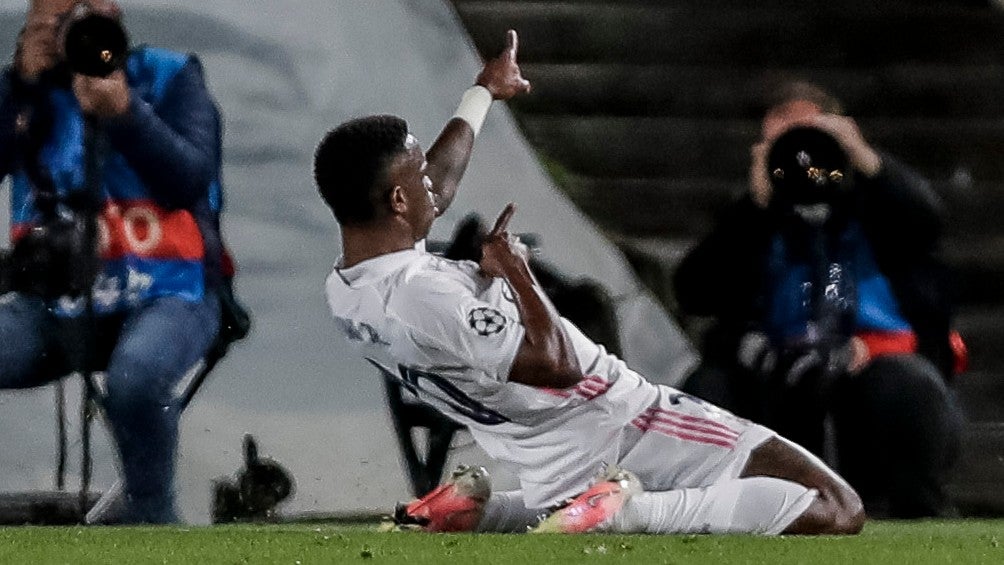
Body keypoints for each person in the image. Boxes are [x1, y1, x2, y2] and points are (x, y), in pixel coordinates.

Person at [316, 34, 863, 535]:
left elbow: (438, 189)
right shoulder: (423, 294)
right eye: (419, 176)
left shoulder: (348, 290)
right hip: (620, 416)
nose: (434, 182)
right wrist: (516, 273)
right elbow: (558, 366)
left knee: (706, 496)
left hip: (544, 451)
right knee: (833, 504)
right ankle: (624, 510)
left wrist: (481, 93)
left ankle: (482, 511)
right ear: (396, 201)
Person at [673, 81, 963, 518]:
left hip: (872, 368)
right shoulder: (752, 218)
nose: (803, 157)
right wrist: (754, 207)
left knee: (908, 385)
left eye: (812, 134)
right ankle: (717, 512)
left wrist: (863, 159)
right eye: (785, 139)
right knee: (706, 393)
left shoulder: (883, 212)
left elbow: (926, 222)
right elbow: (695, 290)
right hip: (770, 372)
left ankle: (914, 508)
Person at [0, 0, 233, 523]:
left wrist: (125, 113)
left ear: (113, 11)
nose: (76, 27)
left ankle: (151, 523)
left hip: (173, 290)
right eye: (58, 18)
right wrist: (16, 86)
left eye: (87, 13)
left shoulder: (170, 76)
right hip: (52, 302)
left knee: (137, 377)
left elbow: (190, 180)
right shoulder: (24, 91)